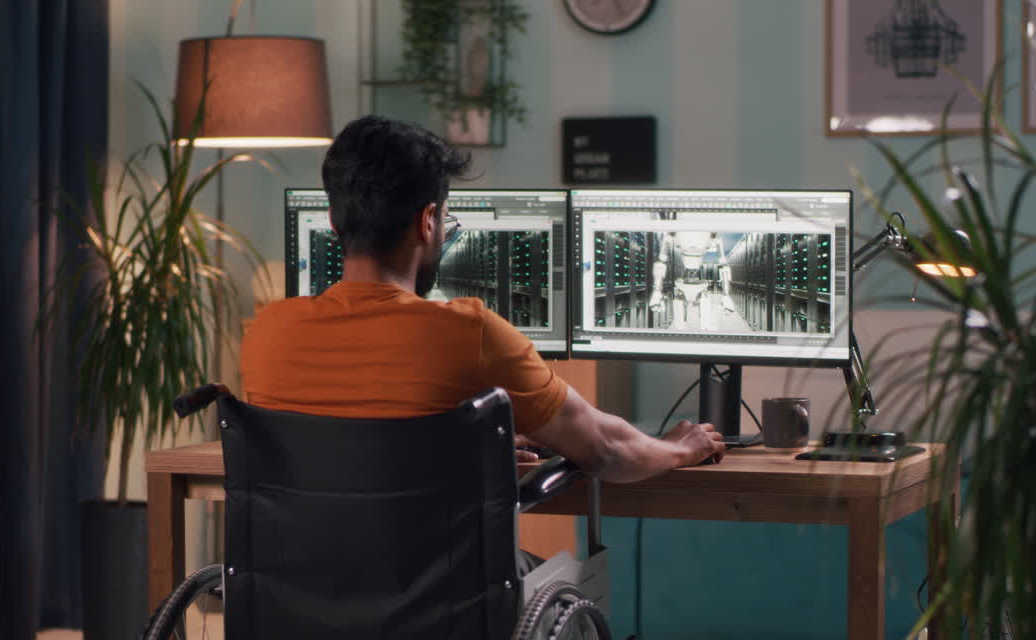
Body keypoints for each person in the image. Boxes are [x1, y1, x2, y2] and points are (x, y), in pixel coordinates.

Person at [241, 115, 725, 485]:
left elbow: (351, 454)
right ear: (427, 221)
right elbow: (606, 449)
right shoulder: (467, 332)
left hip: (301, 596)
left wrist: (462, 448)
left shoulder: (267, 333)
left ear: (332, 221)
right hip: (431, 597)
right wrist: (681, 447)